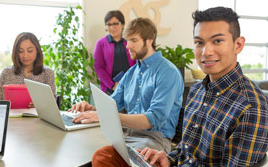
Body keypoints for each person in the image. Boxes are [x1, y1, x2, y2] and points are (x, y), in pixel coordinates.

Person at [91, 7, 268, 167]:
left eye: (217, 41)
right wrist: (168, 158)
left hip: (153, 138)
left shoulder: (251, 107)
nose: (206, 52)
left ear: (238, 45)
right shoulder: (198, 91)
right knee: (103, 156)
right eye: (199, 42)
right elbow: (186, 150)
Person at [70, 17, 184, 153]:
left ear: (149, 41)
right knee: (83, 145)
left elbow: (153, 120)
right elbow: (112, 104)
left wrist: (106, 116)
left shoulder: (167, 72)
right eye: (127, 40)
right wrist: (91, 110)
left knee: (103, 155)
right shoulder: (131, 73)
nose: (128, 46)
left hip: (153, 140)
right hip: (126, 134)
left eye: (134, 40)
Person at [0, 32, 56, 107]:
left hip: (37, 118)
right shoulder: (7, 72)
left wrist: (40, 105)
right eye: (20, 51)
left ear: (37, 50)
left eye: (30, 51)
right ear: (16, 53)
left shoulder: (47, 73)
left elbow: (52, 104)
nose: (25, 55)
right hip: (11, 118)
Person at [94, 10, 136, 95]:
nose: (113, 27)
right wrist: (113, 85)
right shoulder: (101, 43)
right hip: (110, 89)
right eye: (109, 24)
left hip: (130, 87)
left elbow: (136, 64)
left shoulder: (130, 42)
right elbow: (98, 68)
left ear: (123, 25)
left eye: (116, 24)